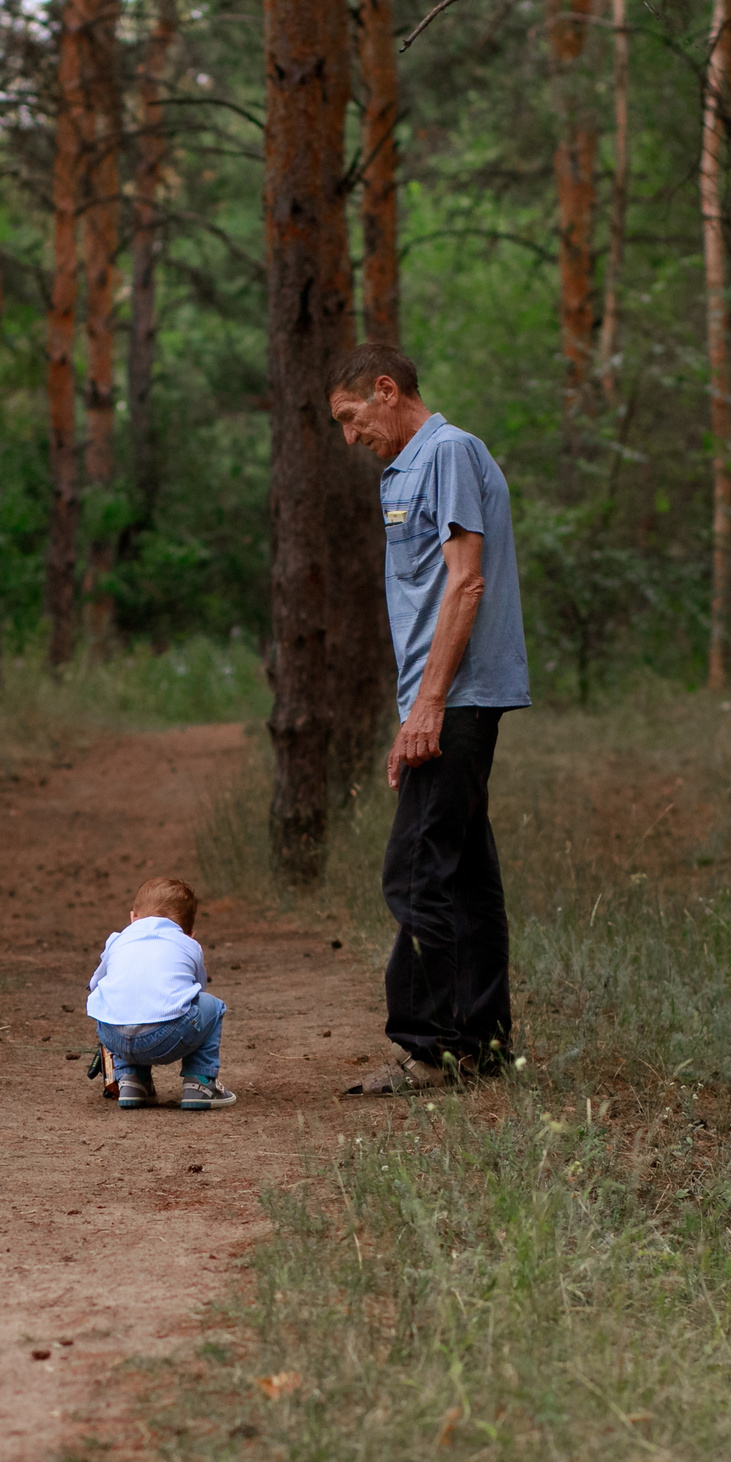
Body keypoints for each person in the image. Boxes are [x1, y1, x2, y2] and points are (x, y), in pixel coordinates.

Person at [326, 341, 530, 1095]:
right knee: (465, 873)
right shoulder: (409, 467)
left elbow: (466, 583)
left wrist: (431, 705)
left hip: (459, 695)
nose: (350, 436)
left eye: (352, 417)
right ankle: (480, 1043)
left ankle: (426, 1046)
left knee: (414, 871)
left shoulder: (447, 453)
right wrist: (417, 703)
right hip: (443, 695)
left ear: (387, 390)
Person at [83, 876, 236, 1110]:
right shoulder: (189, 944)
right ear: (189, 932)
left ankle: (132, 1081)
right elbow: (196, 991)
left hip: (114, 1038)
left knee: (117, 1004)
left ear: (133, 918)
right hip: (168, 1037)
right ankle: (200, 1083)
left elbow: (95, 985)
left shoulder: (117, 940)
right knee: (212, 1006)